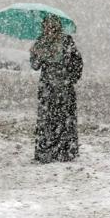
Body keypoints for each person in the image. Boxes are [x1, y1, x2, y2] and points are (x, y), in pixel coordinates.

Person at [30, 14, 83, 163]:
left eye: (53, 26)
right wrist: (35, 54)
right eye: (47, 26)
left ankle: (65, 151)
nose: (50, 29)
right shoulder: (40, 42)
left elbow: (77, 62)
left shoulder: (66, 41)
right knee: (47, 119)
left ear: (58, 27)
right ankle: (46, 152)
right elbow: (35, 66)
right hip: (47, 87)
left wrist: (70, 78)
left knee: (64, 119)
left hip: (64, 88)